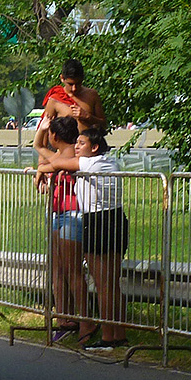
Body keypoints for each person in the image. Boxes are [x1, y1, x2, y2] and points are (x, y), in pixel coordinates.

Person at [38, 126, 128, 351]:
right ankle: (118, 333)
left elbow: (58, 163)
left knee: (103, 284)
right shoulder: (108, 162)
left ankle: (108, 338)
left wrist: (41, 169)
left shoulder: (91, 163)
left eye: (81, 144)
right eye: (76, 143)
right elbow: (58, 161)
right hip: (116, 219)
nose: (76, 147)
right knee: (112, 283)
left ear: (94, 147)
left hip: (98, 221)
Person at [32, 116, 89, 343]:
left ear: (54, 137)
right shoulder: (62, 155)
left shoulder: (67, 157)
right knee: (60, 270)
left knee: (70, 271)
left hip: (71, 214)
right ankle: (65, 319)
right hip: (59, 213)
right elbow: (39, 149)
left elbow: (38, 148)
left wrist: (42, 129)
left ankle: (82, 321)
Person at [35, 58, 105, 152]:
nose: (74, 88)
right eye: (70, 84)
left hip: (88, 153)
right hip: (64, 155)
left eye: (78, 84)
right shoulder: (55, 100)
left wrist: (87, 117)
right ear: (62, 78)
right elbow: (45, 131)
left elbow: (104, 124)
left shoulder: (92, 96)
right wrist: (43, 160)